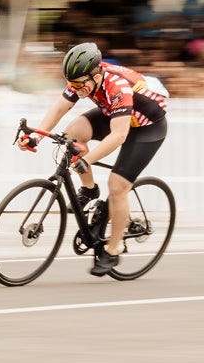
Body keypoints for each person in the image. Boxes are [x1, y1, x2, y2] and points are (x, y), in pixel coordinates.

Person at [18, 42, 168, 277]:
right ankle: (89, 189)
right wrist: (36, 136)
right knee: (71, 134)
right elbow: (58, 110)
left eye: (80, 85)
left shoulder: (117, 87)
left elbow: (119, 135)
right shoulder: (82, 79)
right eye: (72, 85)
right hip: (114, 114)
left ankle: (113, 248)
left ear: (96, 74)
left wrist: (87, 160)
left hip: (146, 128)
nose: (76, 90)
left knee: (117, 186)